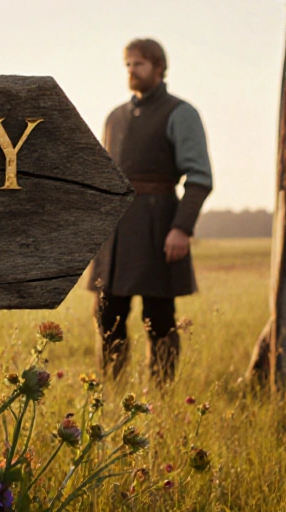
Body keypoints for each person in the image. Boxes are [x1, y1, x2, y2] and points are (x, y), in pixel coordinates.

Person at [89, 38, 213, 383]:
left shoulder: (180, 113)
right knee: (107, 314)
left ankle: (159, 397)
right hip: (115, 229)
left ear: (159, 67)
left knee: (159, 316)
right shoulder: (115, 117)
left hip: (160, 225)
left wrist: (182, 228)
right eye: (128, 64)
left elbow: (200, 178)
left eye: (139, 64)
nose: (132, 70)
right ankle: (111, 392)